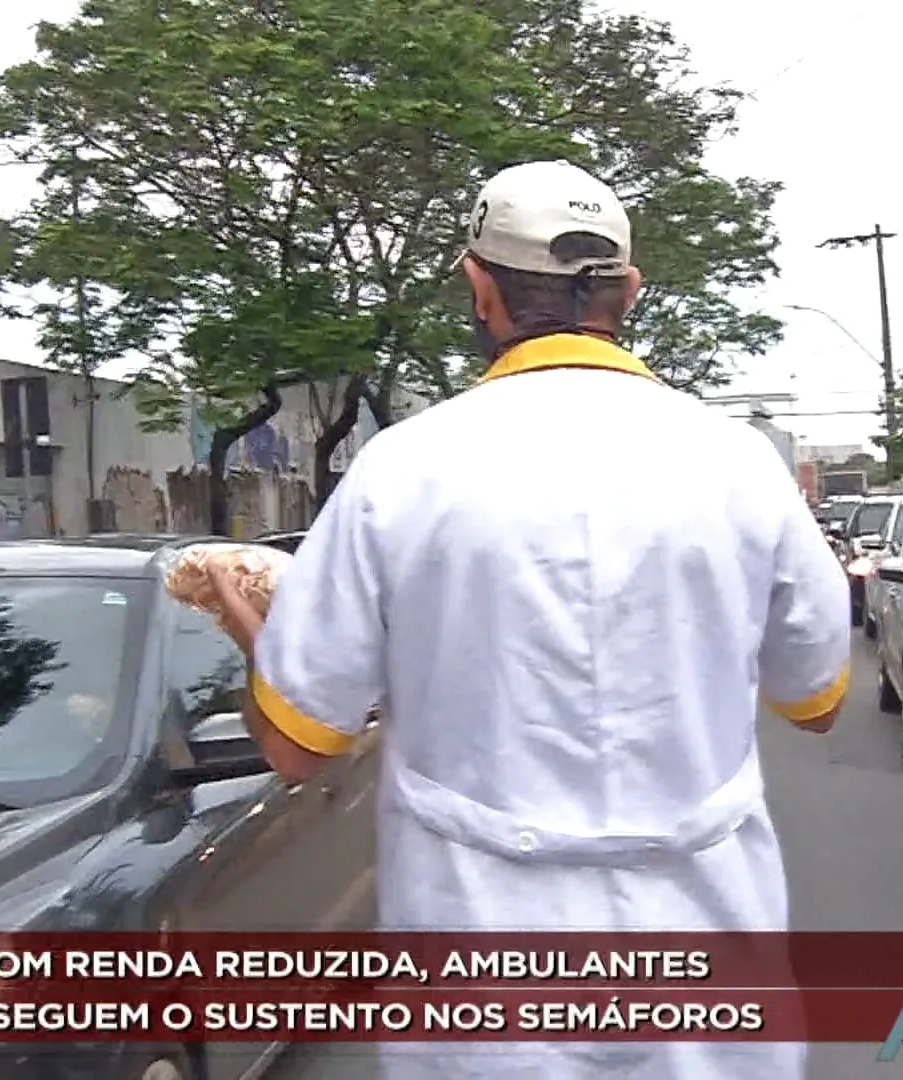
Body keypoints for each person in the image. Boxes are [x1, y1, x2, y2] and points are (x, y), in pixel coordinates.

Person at [206, 159, 851, 1079]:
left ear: (480, 288)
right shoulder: (741, 465)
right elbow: (818, 700)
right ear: (628, 292)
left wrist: (254, 629)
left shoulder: (402, 470)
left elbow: (301, 743)